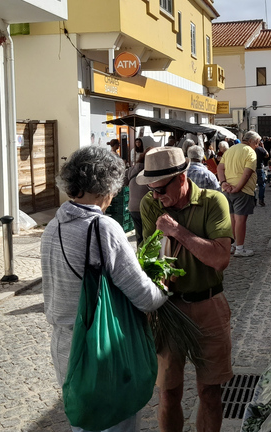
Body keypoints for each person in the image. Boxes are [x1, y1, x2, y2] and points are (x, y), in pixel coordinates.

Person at [41, 146, 167, 432]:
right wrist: (163, 288)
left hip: (65, 347)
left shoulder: (52, 227)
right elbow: (145, 297)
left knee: (84, 422)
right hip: (102, 347)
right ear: (107, 187)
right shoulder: (102, 228)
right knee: (113, 423)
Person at [137, 147, 233, 432]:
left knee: (210, 393)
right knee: (168, 394)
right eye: (151, 190)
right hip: (168, 308)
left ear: (181, 178)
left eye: (160, 189)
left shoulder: (214, 202)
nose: (155, 197)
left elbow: (220, 259)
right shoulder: (150, 204)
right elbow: (149, 255)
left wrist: (178, 231)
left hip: (209, 304)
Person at [217, 131, 261, 257]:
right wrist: (238, 187)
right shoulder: (250, 151)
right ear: (252, 141)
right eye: (257, 143)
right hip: (242, 190)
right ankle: (240, 249)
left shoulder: (230, 149)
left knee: (231, 219)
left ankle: (230, 246)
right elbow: (247, 173)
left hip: (227, 189)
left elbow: (220, 168)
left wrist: (223, 183)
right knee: (240, 220)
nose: (257, 146)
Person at [125, 147, 151, 245]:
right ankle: (146, 257)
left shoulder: (132, 169)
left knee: (139, 234)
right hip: (147, 207)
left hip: (133, 206)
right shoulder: (151, 169)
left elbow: (124, 182)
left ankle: (140, 257)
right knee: (148, 235)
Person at [254, 140, 270, 206]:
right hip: (259, 169)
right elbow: (267, 155)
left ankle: (253, 200)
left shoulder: (248, 149)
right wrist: (263, 147)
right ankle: (261, 200)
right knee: (262, 185)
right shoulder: (260, 149)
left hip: (251, 169)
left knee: (252, 185)